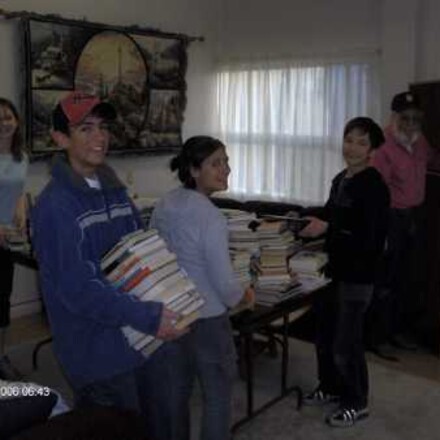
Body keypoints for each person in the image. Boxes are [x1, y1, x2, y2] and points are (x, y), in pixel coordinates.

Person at [31, 91, 185, 437]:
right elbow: (79, 291)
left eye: (103, 127)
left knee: (159, 424)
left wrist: (174, 299)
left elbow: (141, 253)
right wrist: (150, 316)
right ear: (60, 138)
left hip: (139, 337)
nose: (99, 137)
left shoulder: (115, 191)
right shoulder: (54, 207)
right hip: (98, 355)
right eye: (85, 128)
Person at [150, 135, 254, 440]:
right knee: (218, 396)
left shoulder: (165, 203)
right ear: (194, 170)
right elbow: (224, 282)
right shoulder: (211, 217)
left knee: (176, 393)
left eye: (226, 162)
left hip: (173, 314)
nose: (226, 169)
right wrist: (244, 296)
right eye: (216, 164)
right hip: (208, 319)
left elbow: (154, 253)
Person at [299, 117, 390, 427]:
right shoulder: (341, 179)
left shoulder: (375, 186)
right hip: (331, 271)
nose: (352, 147)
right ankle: (330, 387)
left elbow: (370, 238)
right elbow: (330, 214)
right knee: (324, 337)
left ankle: (356, 401)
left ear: (372, 150)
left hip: (358, 277)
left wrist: (329, 228)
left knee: (346, 345)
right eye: (349, 140)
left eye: (361, 143)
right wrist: (303, 219)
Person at [369, 91, 431, 356]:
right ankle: (377, 337)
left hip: (414, 217)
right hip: (391, 217)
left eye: (416, 118)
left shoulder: (420, 142)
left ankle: (397, 331)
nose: (411, 124)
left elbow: (431, 160)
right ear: (394, 117)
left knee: (406, 280)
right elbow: (377, 191)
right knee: (385, 280)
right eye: (405, 118)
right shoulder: (383, 146)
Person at [0, 97, 28, 380]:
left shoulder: (21, 157)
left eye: (8, 117)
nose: (3, 123)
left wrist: (21, 211)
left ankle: (1, 356)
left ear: (16, 121)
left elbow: (19, 191)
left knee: (2, 300)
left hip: (7, 241)